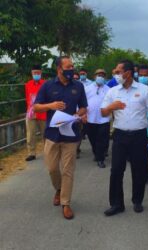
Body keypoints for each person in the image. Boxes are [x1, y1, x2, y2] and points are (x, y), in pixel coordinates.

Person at [101, 60, 148, 216]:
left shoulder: (144, 90)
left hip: (139, 135)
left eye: (118, 71)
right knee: (116, 170)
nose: (116, 74)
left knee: (139, 170)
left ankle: (137, 200)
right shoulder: (113, 91)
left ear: (127, 73)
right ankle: (116, 204)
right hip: (120, 135)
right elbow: (103, 112)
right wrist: (110, 107)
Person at [33, 56, 88, 220]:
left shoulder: (78, 86)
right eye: (68, 66)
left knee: (68, 171)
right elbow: (36, 107)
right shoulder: (48, 85)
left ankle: (66, 203)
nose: (72, 68)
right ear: (59, 69)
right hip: (52, 135)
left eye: (72, 66)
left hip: (71, 135)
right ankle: (58, 189)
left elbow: (84, 107)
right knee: (52, 169)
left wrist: (79, 115)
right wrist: (51, 105)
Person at [85, 69, 111, 168]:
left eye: (102, 75)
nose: (100, 77)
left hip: (104, 119)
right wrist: (82, 114)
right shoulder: (87, 88)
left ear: (105, 77)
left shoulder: (108, 89)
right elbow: (82, 102)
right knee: (92, 139)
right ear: (94, 76)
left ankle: (100, 159)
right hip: (90, 119)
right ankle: (96, 153)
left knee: (102, 140)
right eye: (98, 75)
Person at [24, 65, 47, 161]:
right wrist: (29, 109)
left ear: (41, 73)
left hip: (43, 112)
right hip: (31, 113)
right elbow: (27, 98)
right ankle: (31, 153)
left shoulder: (46, 84)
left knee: (46, 133)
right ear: (31, 73)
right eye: (34, 73)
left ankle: (48, 152)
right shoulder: (28, 84)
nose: (36, 74)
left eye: (38, 73)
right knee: (30, 133)